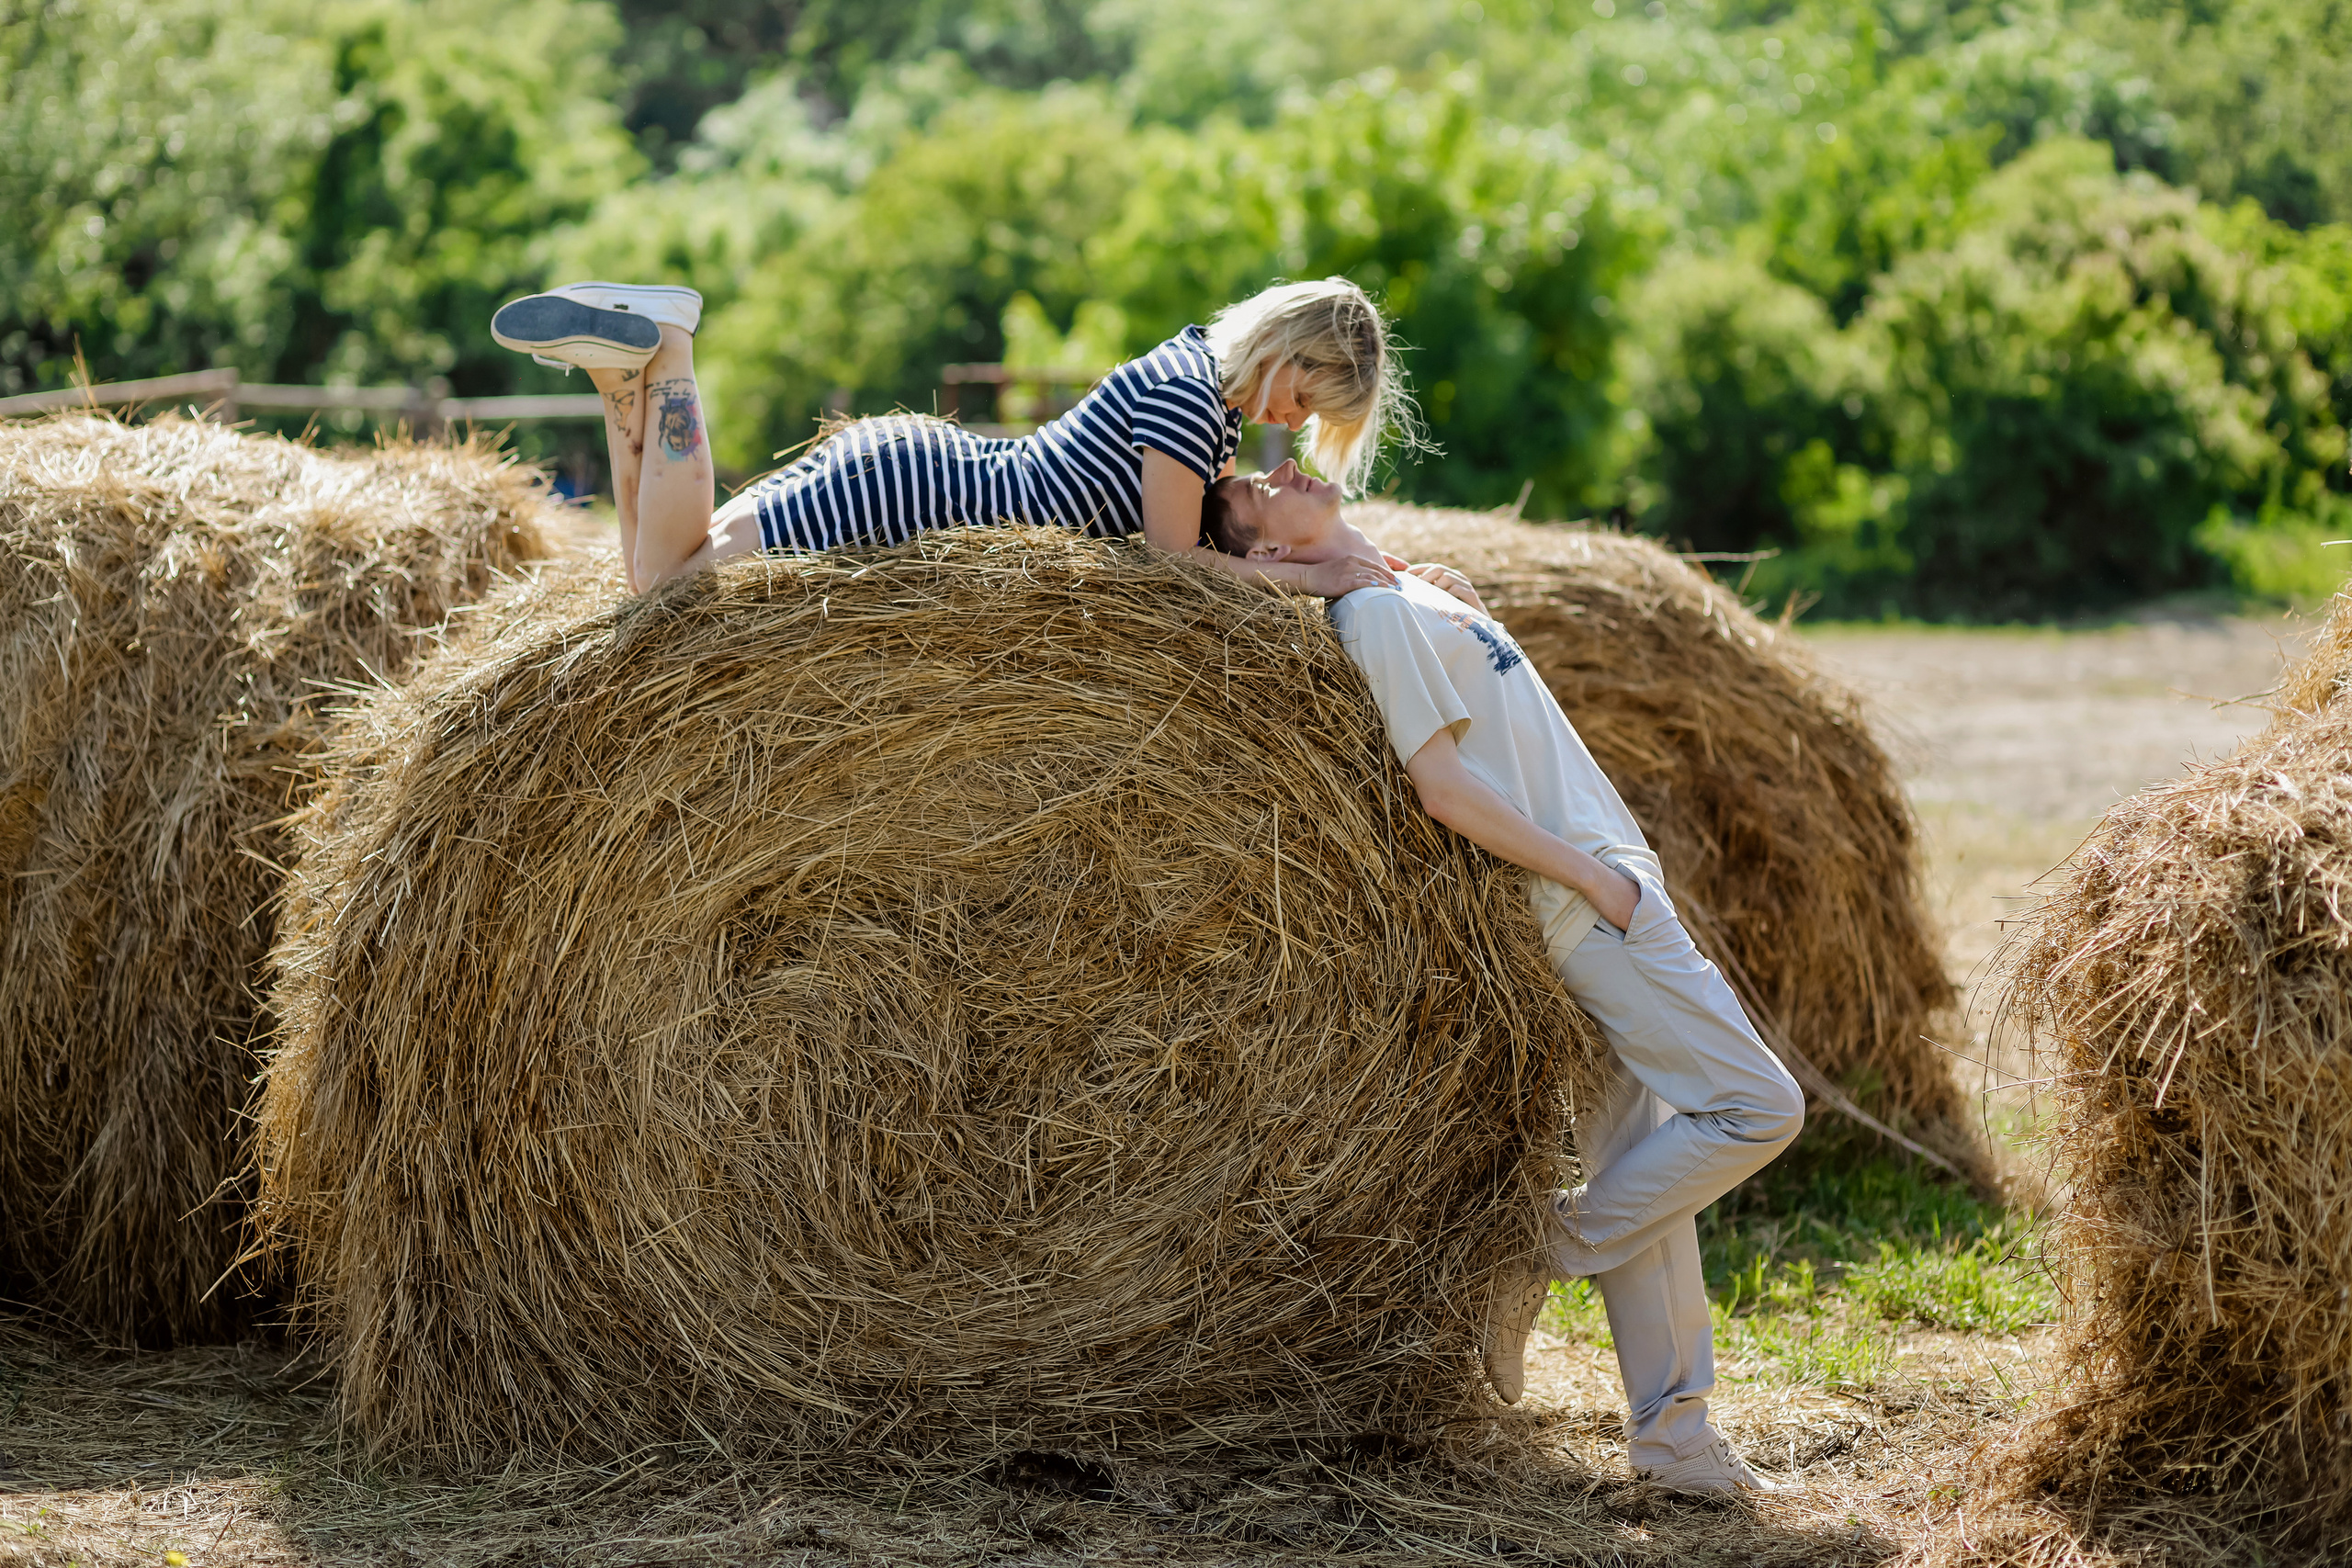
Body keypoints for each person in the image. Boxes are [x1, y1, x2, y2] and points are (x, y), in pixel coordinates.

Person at [1204, 468, 1806, 1495]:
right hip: (1590, 902)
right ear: (1265, 553)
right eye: (1259, 489)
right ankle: (1531, 1249)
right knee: (1760, 1107)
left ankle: (1676, 1440)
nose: (1284, 466)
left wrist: (1444, 591)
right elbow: (1443, 790)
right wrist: (1594, 883)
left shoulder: (1402, 590)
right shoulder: (1372, 615)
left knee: (1644, 1166)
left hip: (1607, 880)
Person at [490, 276, 1472, 604]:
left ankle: (621, 377)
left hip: (915, 475)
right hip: (908, 495)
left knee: (647, 582)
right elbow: (1178, 567)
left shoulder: (1200, 390)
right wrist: (1318, 583)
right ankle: (669, 346)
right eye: (1305, 399)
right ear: (1288, 353)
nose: (1294, 425)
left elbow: (1271, 541)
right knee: (671, 588)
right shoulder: (1189, 401)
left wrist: (1399, 574)